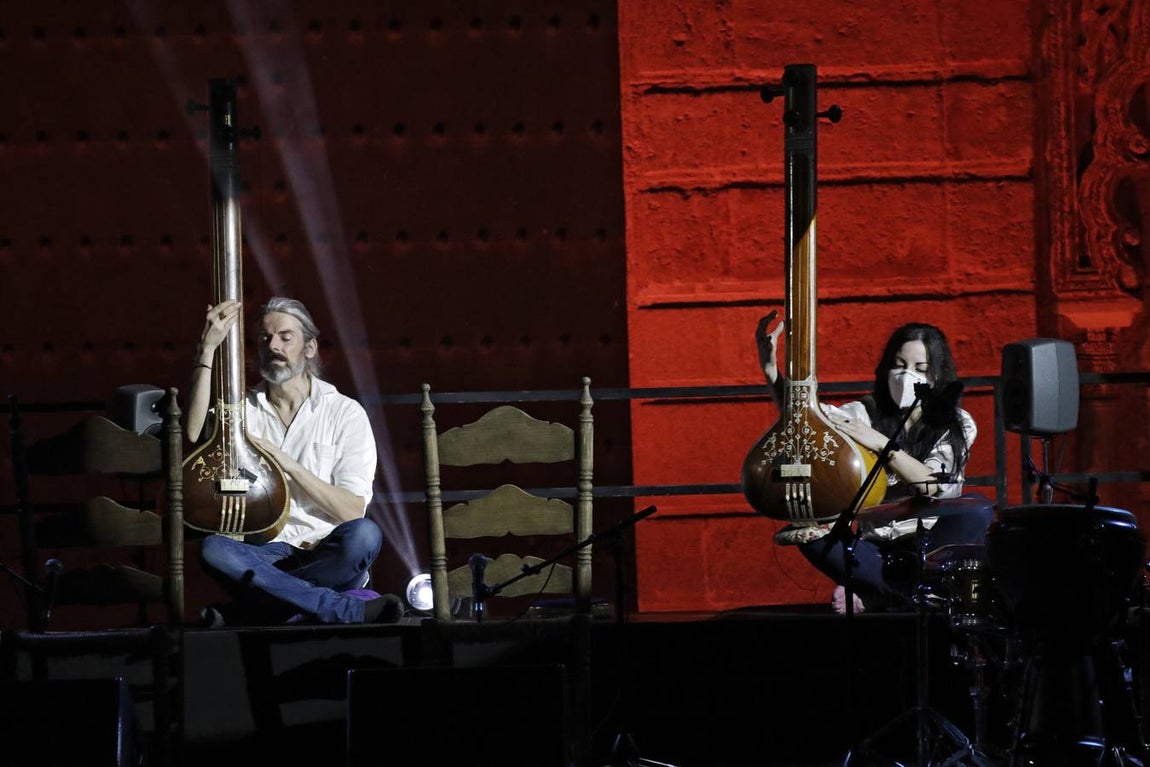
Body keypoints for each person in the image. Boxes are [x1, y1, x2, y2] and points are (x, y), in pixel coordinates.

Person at [187, 296, 402, 625]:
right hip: (266, 555)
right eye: (265, 338)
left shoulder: (344, 413)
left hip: (326, 551)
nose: (273, 345)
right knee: (214, 549)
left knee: (365, 536)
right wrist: (206, 351)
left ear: (310, 348)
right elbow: (192, 433)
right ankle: (339, 608)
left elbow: (351, 510)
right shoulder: (242, 410)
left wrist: (286, 464)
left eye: (285, 337)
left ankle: (251, 611)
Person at [756, 315, 993, 613]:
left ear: (937, 376)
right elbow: (810, 420)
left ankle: (880, 594)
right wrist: (772, 373)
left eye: (920, 369)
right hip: (876, 548)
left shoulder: (957, 423)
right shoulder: (862, 413)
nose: (906, 377)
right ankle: (904, 596)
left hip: (932, 546)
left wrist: (880, 443)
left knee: (976, 511)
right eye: (899, 366)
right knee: (807, 532)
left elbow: (933, 487)